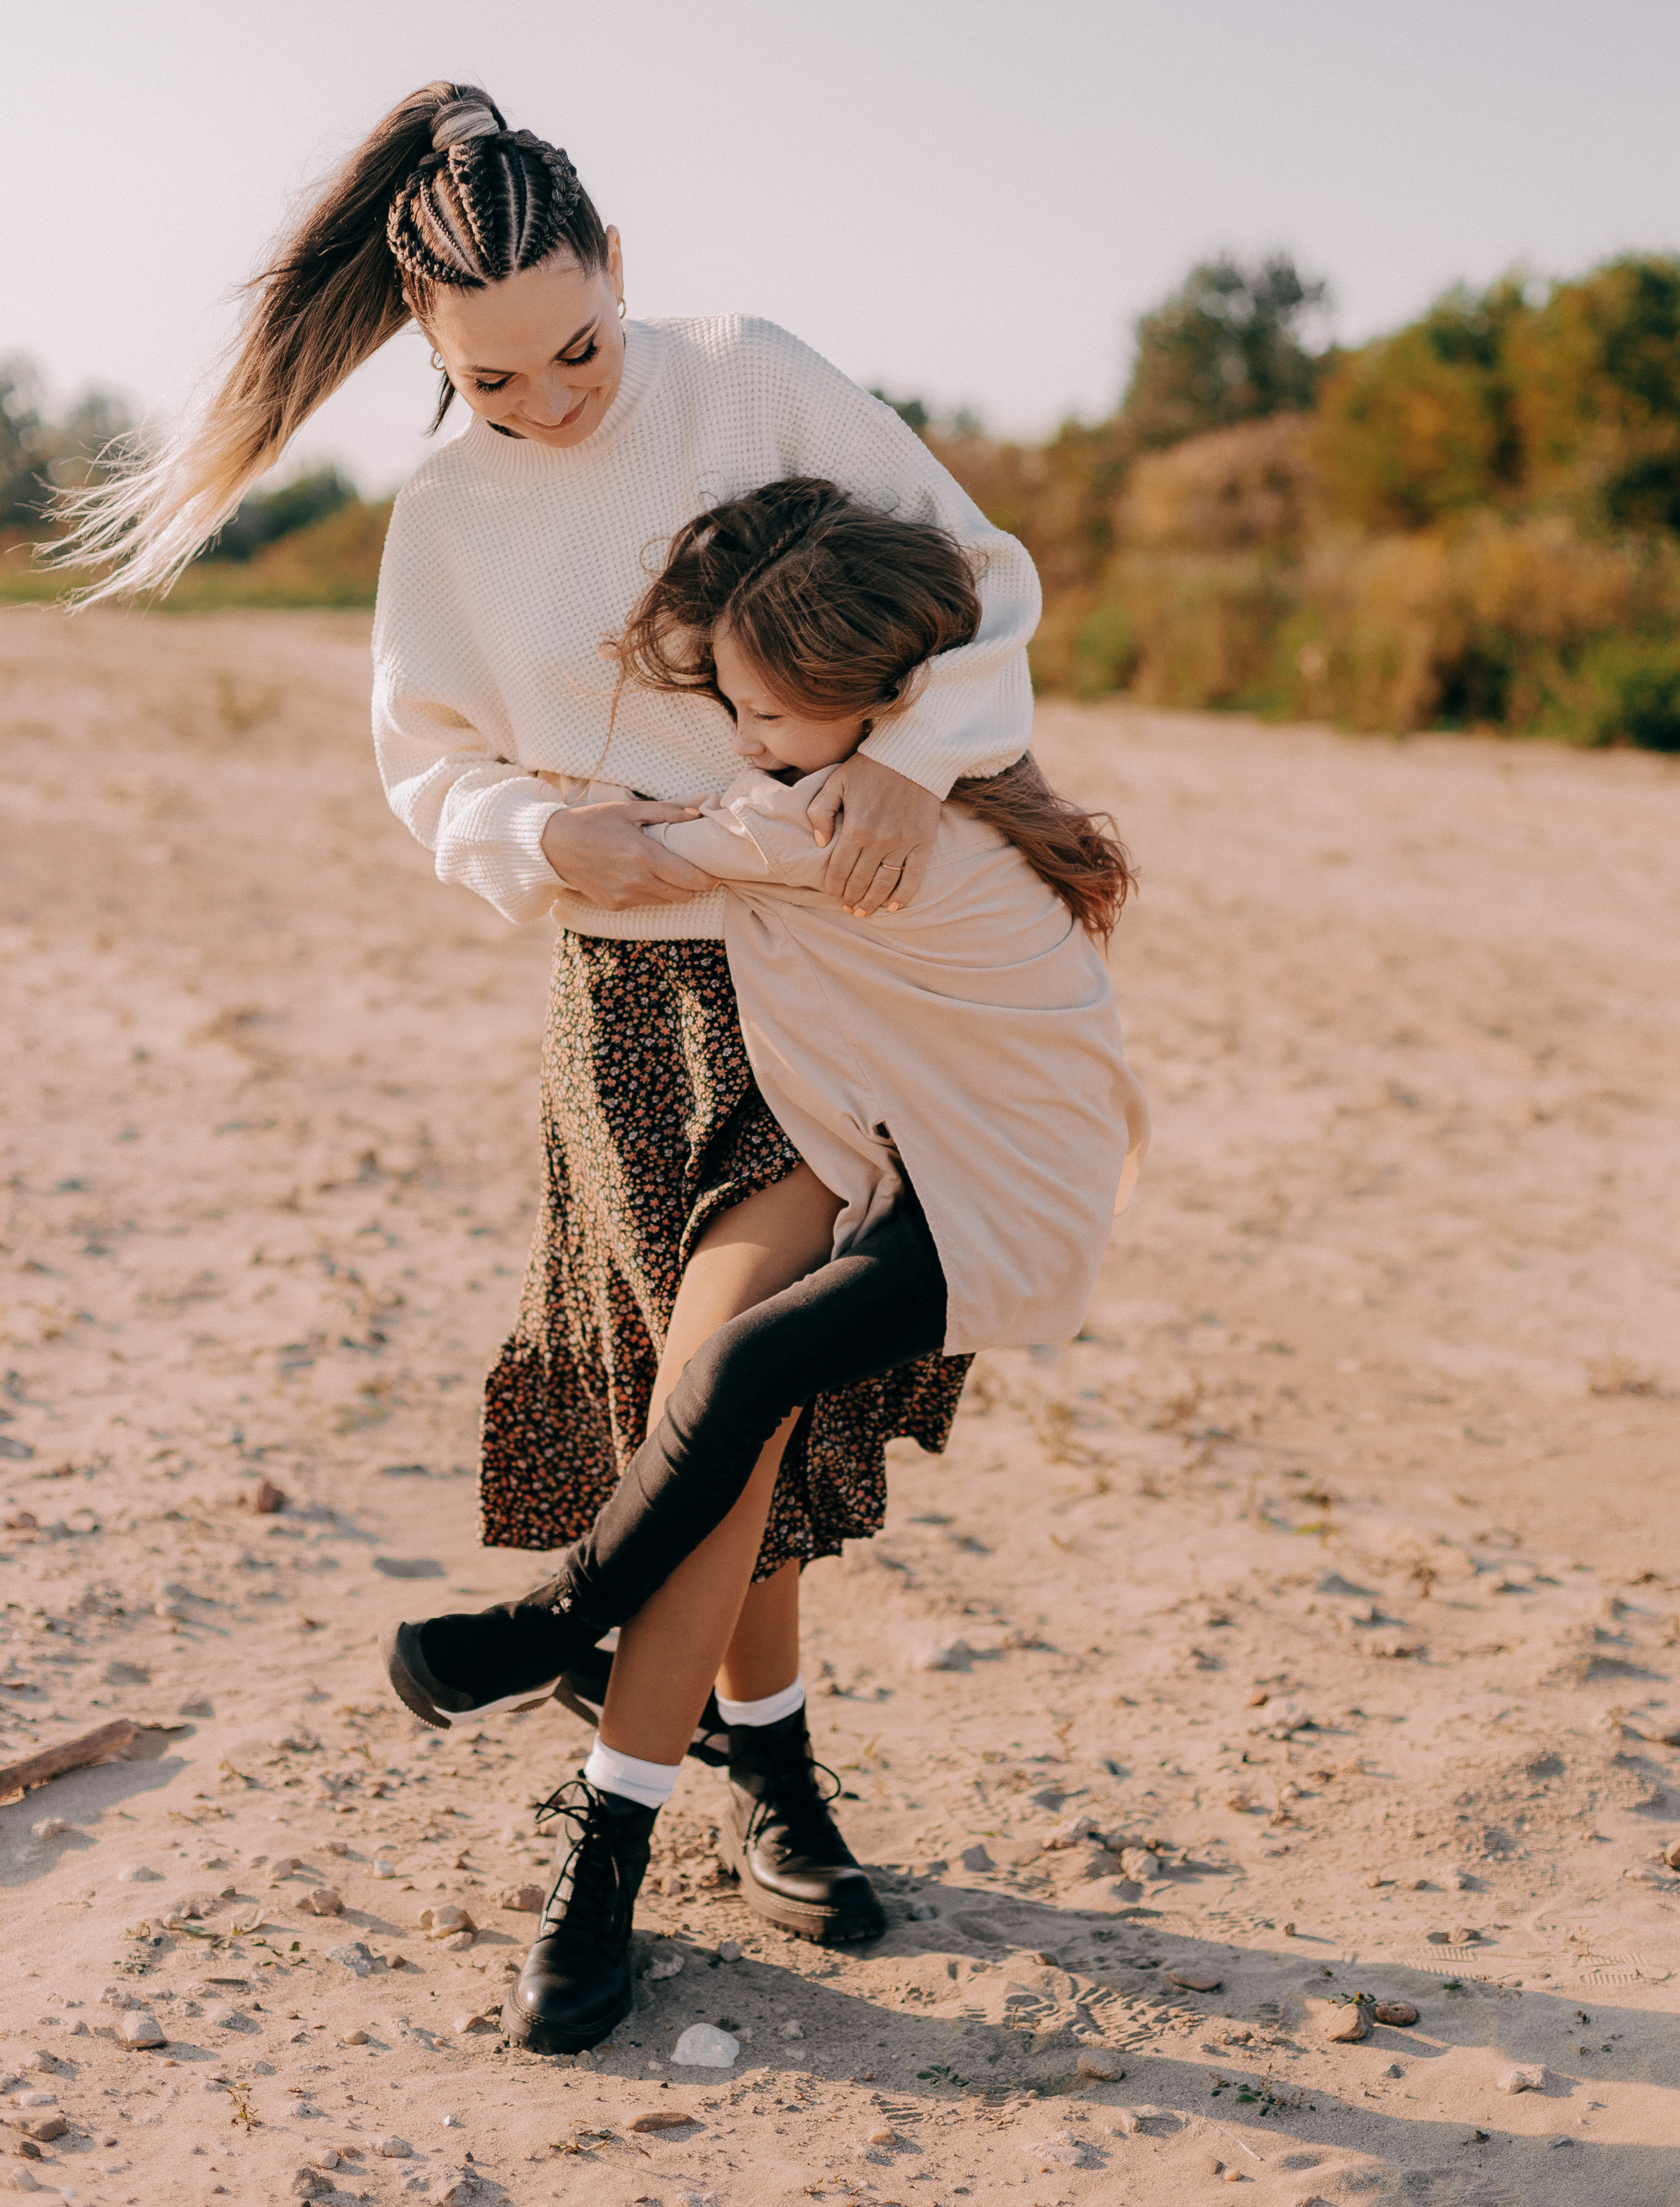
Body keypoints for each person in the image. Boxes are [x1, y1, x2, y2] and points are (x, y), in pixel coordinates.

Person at [54, 81, 1041, 1984]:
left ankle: (608, 1849)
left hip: (825, 964)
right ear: (427, 351)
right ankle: (779, 1774)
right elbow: (424, 770)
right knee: (703, 1420)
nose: (558, 399)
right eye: (497, 380)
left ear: (622, 277)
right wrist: (540, 830)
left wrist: (913, 767)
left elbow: (985, 576)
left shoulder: (749, 376)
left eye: (579, 348)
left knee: (730, 1371)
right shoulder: (441, 515)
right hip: (625, 1004)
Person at [386, 480, 1148, 2054]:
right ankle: (677, 1709)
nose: (733, 734)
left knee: (733, 1376)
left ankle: (556, 1634)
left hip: (980, 1198)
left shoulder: (830, 825)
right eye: (726, 703)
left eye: (758, 710)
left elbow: (642, 853)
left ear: (878, 710)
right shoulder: (924, 783)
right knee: (730, 1398)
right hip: (953, 1161)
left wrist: (551, 818)